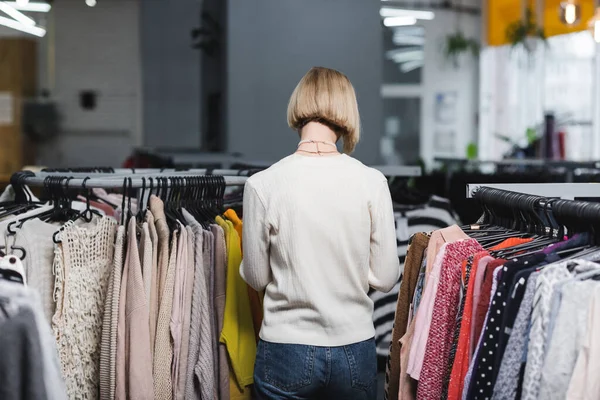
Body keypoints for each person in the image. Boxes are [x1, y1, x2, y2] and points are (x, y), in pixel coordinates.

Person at [240, 66, 400, 400]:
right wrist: (348, 271)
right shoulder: (372, 182)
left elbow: (255, 277)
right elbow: (385, 277)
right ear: (346, 110)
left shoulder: (262, 184)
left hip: (285, 346)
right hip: (354, 347)